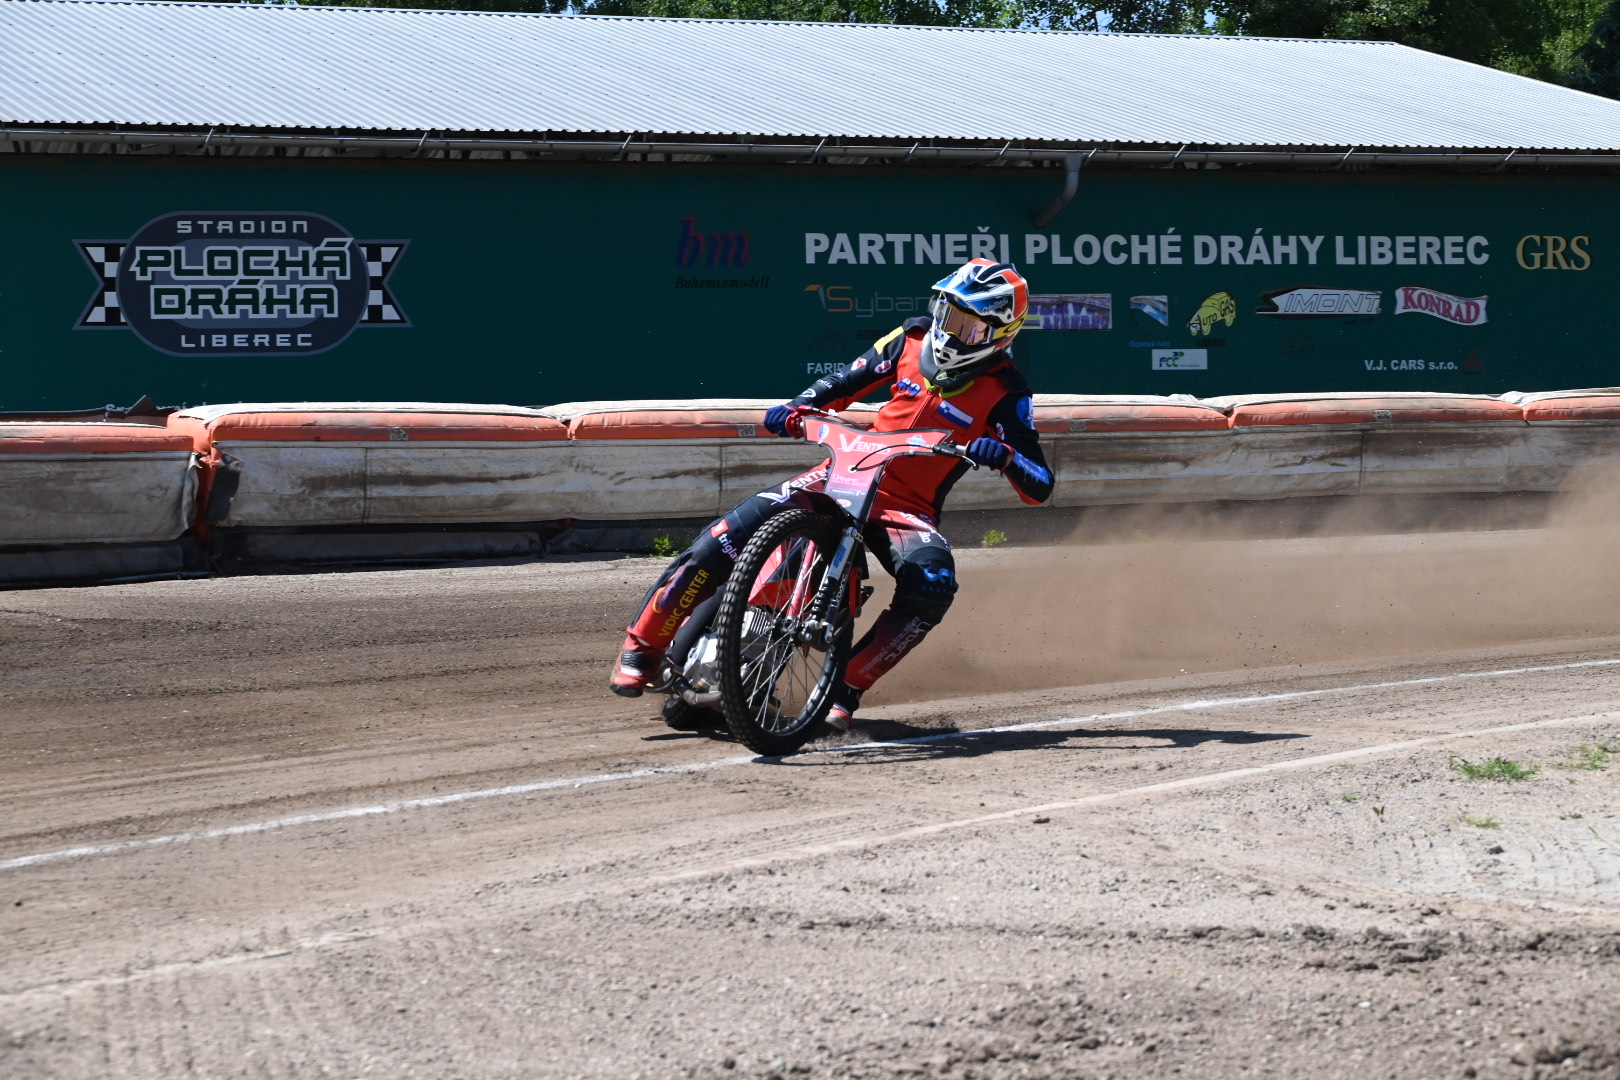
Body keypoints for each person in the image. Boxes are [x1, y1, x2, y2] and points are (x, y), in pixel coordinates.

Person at [610, 258, 1053, 730]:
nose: (949, 329)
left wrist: (1006, 456)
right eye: (947, 313)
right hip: (840, 474)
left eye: (967, 323)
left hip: (906, 509)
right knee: (722, 539)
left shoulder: (1008, 390)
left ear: (1000, 333)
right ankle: (643, 647)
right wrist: (799, 406)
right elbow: (843, 381)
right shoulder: (910, 338)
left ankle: (845, 687)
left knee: (933, 586)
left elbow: (1040, 485)